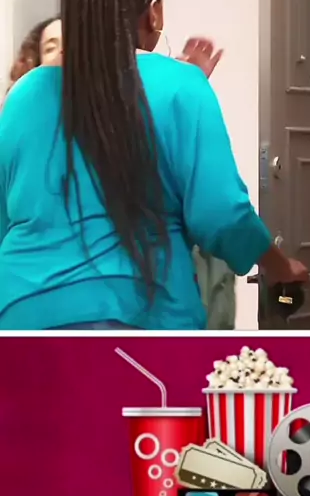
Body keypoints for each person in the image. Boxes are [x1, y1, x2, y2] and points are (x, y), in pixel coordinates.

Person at [0, 0, 308, 330]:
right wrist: (281, 266)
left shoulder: (23, 96)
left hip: (22, 321)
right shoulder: (182, 86)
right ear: (154, 12)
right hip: (143, 322)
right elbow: (222, 214)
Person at [7, 19, 235, 329]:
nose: (66, 53)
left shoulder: (131, 114)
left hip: (133, 305)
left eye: (73, 44)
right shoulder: (24, 116)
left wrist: (177, 90)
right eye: (53, 47)